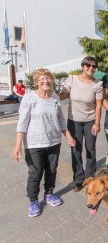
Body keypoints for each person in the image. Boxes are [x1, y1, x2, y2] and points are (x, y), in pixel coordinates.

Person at [11, 68, 76, 217]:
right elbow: (22, 122)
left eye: (48, 78)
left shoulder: (55, 98)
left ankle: (49, 194)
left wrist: (68, 135)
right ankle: (33, 201)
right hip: (34, 144)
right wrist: (17, 145)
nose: (46, 81)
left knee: (52, 170)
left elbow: (60, 119)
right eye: (42, 79)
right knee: (35, 173)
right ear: (36, 82)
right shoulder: (29, 98)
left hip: (54, 142)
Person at [59, 56, 103, 192]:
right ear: (83, 66)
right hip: (74, 121)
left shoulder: (98, 84)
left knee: (91, 150)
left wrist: (97, 123)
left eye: (94, 66)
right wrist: (50, 92)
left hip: (90, 121)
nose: (91, 68)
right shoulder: (72, 79)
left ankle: (90, 178)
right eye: (88, 65)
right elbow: (62, 95)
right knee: (76, 150)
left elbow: (99, 106)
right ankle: (78, 179)